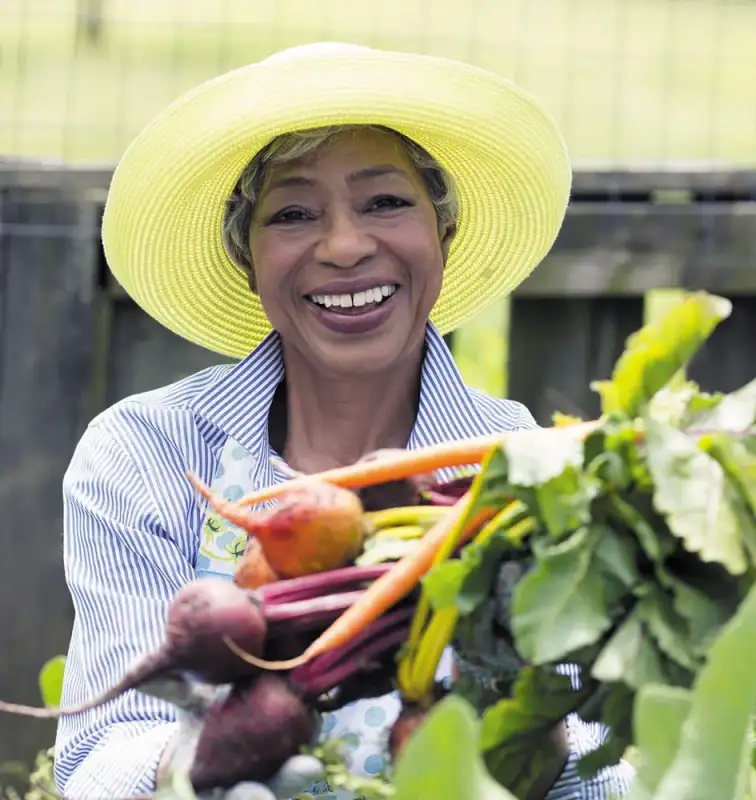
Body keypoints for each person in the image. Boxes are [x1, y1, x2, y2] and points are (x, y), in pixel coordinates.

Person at [53, 42, 632, 800]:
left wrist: (525, 728)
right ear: (248, 258)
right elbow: (95, 763)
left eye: (385, 202)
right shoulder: (146, 453)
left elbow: (612, 772)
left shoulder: (530, 473)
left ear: (443, 235)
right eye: (292, 214)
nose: (346, 246)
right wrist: (206, 759)